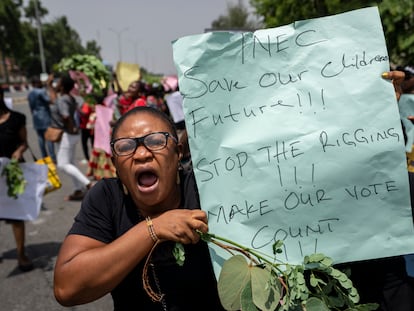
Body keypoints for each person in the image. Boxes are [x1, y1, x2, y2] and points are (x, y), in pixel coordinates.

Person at [54, 106, 225, 310]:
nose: (142, 154)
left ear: (178, 152)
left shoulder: (205, 190)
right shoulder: (107, 198)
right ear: (115, 163)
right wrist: (152, 229)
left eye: (156, 141)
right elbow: (66, 289)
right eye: (125, 147)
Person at [0, 87, 34, 272]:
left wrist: (19, 151)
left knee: (16, 215)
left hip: (13, 171)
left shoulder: (17, 118)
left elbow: (24, 142)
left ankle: (21, 254)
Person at [50, 74, 94, 201]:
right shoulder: (69, 97)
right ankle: (78, 189)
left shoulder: (64, 99)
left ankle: (88, 184)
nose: (56, 84)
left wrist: (70, 129)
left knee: (63, 165)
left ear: (62, 86)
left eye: (59, 82)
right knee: (71, 162)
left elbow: (65, 116)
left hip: (66, 134)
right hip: (70, 134)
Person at [27, 75, 56, 163]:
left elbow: (31, 107)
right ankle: (52, 157)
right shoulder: (41, 92)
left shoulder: (30, 93)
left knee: (40, 138)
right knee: (49, 138)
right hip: (44, 116)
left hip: (36, 116)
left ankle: (44, 156)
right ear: (37, 83)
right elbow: (50, 101)